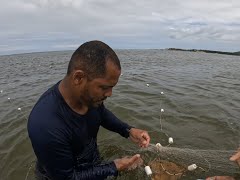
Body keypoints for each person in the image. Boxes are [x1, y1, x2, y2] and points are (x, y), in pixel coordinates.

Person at [28, 40, 151, 179]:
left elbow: (101, 114)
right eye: (104, 87)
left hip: (90, 164)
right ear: (78, 78)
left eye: (112, 87)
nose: (109, 94)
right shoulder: (45, 124)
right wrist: (114, 166)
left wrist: (128, 131)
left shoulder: (90, 98)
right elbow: (67, 178)